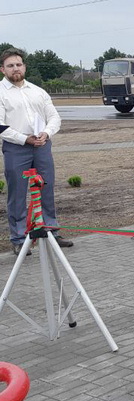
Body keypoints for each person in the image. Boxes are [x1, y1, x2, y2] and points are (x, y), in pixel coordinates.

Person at [0, 48, 74, 256]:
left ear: (24, 66)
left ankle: (50, 230)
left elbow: (54, 117)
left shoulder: (37, 91)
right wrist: (25, 139)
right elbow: (0, 126)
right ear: (2, 69)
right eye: (10, 65)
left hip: (41, 146)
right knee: (17, 193)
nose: (15, 68)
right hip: (17, 148)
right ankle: (18, 238)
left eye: (18, 64)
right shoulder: (1, 93)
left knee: (46, 188)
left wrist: (46, 134)